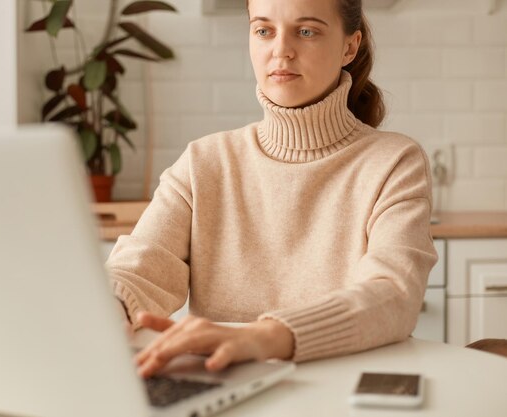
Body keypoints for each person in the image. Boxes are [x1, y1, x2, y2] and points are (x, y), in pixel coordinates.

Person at [106, 0, 438, 378]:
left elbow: (394, 295)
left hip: (341, 389)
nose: (280, 50)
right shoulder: (205, 161)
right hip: (225, 387)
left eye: (306, 31)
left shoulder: (394, 161)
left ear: (350, 46)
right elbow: (138, 270)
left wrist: (265, 337)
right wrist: (109, 306)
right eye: (263, 30)